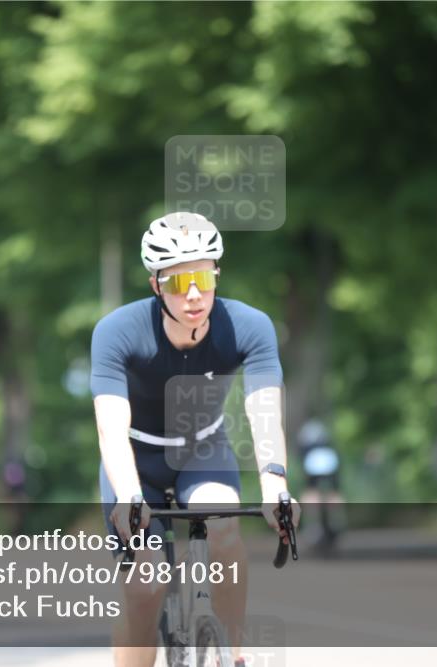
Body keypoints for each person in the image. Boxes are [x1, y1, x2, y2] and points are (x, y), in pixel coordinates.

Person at [91, 212, 300, 667]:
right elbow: (110, 426)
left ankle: (233, 653)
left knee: (223, 528)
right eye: (177, 281)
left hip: (202, 450)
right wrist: (128, 495)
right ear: (155, 286)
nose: (192, 293)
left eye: (203, 277)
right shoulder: (116, 331)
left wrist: (275, 486)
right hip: (137, 457)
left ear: (216, 275)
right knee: (145, 588)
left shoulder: (250, 326)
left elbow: (264, 412)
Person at [297, 419, 344, 553]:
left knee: (310, 493)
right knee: (334, 493)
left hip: (314, 465)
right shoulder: (329, 448)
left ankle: (312, 526)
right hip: (330, 464)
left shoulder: (307, 449)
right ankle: (336, 521)